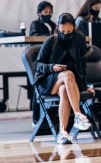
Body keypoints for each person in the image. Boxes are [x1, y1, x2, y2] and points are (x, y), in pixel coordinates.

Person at [34, 13, 93, 145]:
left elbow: (83, 65)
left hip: (68, 83)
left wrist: (84, 85)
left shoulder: (80, 39)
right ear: (58, 28)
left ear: (74, 28)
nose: (65, 34)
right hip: (48, 81)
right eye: (62, 31)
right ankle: (78, 114)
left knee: (64, 90)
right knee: (68, 74)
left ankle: (62, 132)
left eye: (69, 31)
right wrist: (52, 67)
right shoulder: (51, 40)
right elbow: (38, 65)